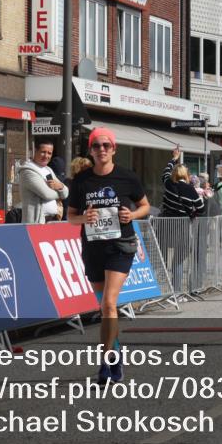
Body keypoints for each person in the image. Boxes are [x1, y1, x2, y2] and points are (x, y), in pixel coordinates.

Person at [67, 128, 150, 381]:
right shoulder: (81, 181)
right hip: (93, 248)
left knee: (109, 304)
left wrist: (131, 215)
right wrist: (84, 217)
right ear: (90, 150)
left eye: (106, 145)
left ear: (114, 149)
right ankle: (115, 353)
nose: (101, 149)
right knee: (104, 309)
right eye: (96, 146)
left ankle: (104, 363)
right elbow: (70, 217)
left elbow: (145, 206)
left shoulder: (127, 177)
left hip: (120, 246)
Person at [160, 150, 206, 292]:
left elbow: (165, 172)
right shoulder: (190, 189)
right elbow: (201, 208)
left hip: (165, 226)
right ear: (186, 175)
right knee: (178, 259)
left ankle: (159, 290)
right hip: (183, 228)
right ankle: (177, 291)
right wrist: (192, 213)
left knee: (161, 258)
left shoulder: (168, 183)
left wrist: (174, 158)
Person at [17, 138, 69, 225]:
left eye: (49, 153)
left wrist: (60, 186)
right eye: (43, 152)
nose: (46, 156)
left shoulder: (48, 170)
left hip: (53, 220)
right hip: (36, 223)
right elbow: (47, 194)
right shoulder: (27, 171)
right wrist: (60, 192)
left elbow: (66, 192)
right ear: (35, 151)